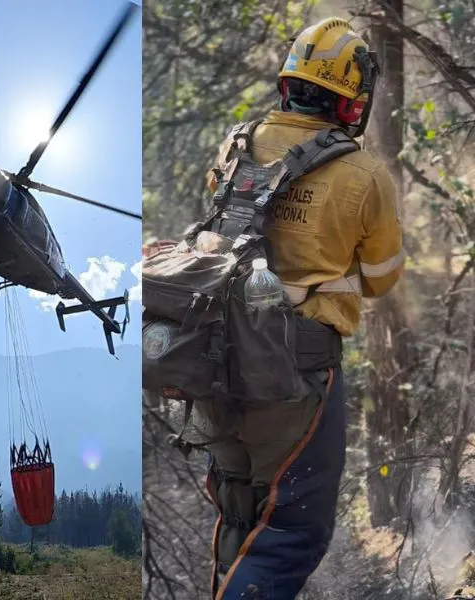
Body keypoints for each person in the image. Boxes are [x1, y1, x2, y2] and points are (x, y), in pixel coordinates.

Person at [184, 18, 403, 599]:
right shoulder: (364, 174)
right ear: (353, 99)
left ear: (290, 82)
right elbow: (382, 278)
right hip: (295, 372)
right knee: (289, 536)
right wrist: (325, 280)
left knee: (239, 515)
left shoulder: (237, 143)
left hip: (215, 361)